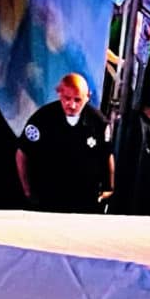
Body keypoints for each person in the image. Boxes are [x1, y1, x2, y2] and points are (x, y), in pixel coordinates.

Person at [16, 72, 111, 212]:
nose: (71, 105)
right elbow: (22, 154)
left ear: (88, 97)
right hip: (49, 197)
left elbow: (107, 155)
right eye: (67, 98)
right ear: (59, 93)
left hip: (84, 199)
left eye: (77, 100)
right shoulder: (42, 119)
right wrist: (27, 190)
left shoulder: (98, 122)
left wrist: (109, 187)